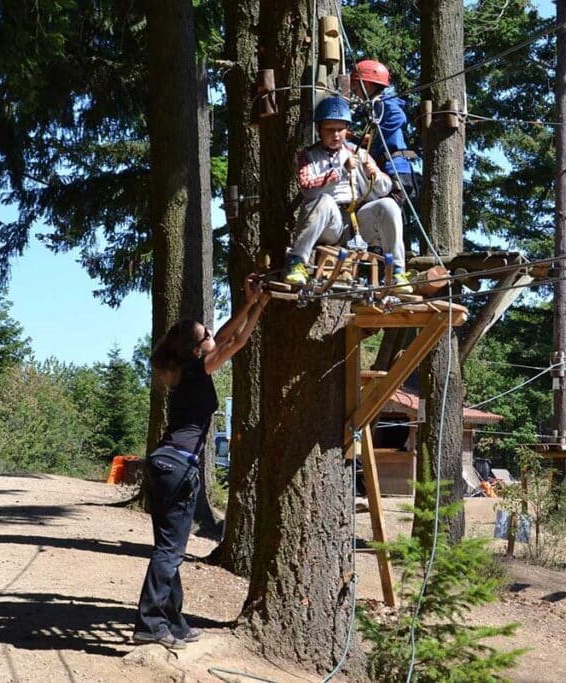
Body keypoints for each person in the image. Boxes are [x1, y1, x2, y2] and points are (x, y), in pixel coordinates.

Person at [133, 275, 269, 651]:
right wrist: (259, 307)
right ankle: (148, 622)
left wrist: (247, 301)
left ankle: (173, 620)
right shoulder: (197, 369)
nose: (213, 332)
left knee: (168, 547)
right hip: (178, 466)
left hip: (165, 463)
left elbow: (224, 334)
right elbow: (237, 340)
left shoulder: (187, 367)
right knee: (170, 551)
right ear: (197, 349)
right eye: (205, 332)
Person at [284, 95, 411, 293]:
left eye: (340, 129)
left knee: (389, 205)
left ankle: (396, 271)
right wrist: (340, 172)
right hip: (330, 224)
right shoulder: (309, 156)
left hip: (357, 224)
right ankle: (296, 261)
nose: (336, 135)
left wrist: (374, 175)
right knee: (324, 200)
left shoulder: (358, 152)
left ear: (347, 129)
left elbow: (384, 189)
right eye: (330, 130)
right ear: (319, 130)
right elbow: (307, 186)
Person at [351, 60, 420, 210]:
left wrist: (375, 135)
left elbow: (398, 117)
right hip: (390, 168)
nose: (355, 92)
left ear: (367, 85)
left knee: (387, 215)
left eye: (356, 88)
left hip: (394, 169)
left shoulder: (382, 102)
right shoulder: (375, 107)